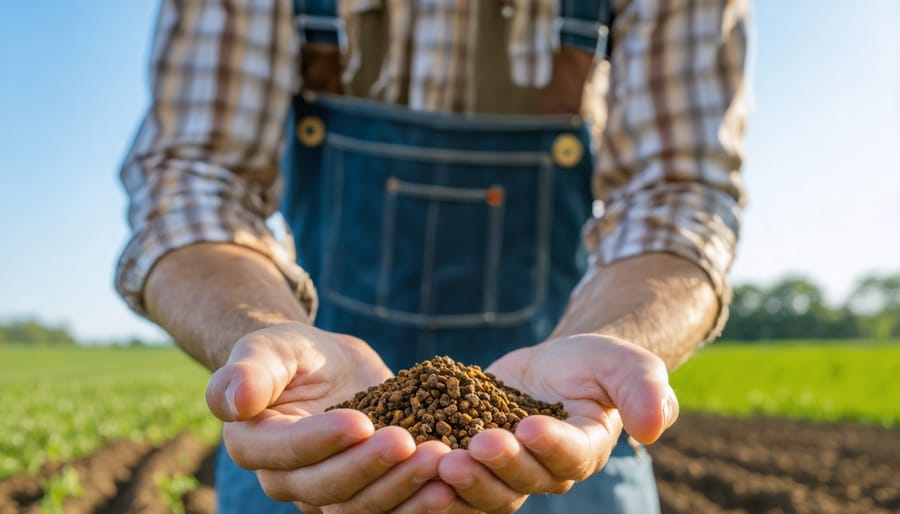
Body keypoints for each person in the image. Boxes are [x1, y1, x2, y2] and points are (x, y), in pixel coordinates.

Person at [116, 0, 748, 512]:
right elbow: (190, 184)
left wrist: (612, 342)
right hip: (312, 435)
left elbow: (679, 200)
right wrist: (262, 335)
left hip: (558, 433)